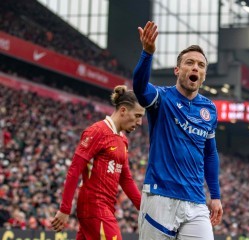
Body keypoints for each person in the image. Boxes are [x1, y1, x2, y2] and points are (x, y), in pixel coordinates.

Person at [133, 21, 223, 240]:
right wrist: (147, 53)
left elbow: (210, 153)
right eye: (189, 63)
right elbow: (140, 89)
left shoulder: (209, 109)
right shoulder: (162, 98)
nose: (195, 68)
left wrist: (216, 195)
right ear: (177, 70)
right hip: (160, 196)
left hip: (196, 201)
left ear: (203, 75)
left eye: (201, 66)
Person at [50, 85, 145, 240]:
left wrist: (143, 209)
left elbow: (125, 179)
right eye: (137, 115)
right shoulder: (97, 132)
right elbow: (74, 170)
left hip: (105, 208)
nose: (140, 122)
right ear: (123, 110)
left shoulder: (123, 140)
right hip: (94, 207)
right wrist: (65, 209)